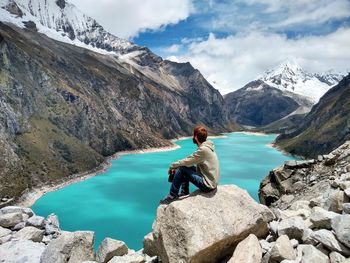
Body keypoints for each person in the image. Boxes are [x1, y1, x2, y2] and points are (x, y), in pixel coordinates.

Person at [160, 125, 220, 204]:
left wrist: (172, 166)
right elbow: (189, 160)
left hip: (207, 185)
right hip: (211, 181)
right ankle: (184, 192)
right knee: (185, 167)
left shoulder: (203, 150)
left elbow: (187, 161)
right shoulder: (208, 147)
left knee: (182, 169)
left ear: (195, 137)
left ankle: (172, 195)